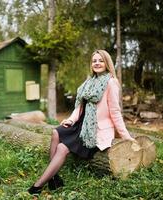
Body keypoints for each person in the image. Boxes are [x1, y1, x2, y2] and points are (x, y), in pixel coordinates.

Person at [28, 49, 136, 195]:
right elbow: (80, 106)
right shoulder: (89, 81)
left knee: (62, 148)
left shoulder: (111, 83)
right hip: (81, 124)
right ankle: (53, 178)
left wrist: (125, 136)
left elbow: (115, 112)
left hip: (94, 130)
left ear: (107, 63)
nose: (97, 63)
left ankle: (38, 186)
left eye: (100, 60)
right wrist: (71, 120)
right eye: (94, 61)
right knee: (55, 132)